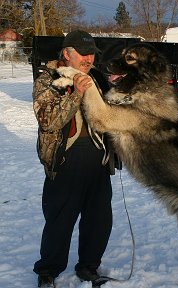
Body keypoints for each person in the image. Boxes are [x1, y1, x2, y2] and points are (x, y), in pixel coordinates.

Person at [32, 30, 115, 288]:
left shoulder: (98, 78)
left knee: (99, 220)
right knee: (60, 220)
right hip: (65, 160)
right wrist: (76, 93)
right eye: (83, 53)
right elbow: (49, 121)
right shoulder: (48, 80)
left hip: (98, 160)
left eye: (92, 53)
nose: (89, 59)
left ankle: (89, 267)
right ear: (67, 53)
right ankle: (48, 271)